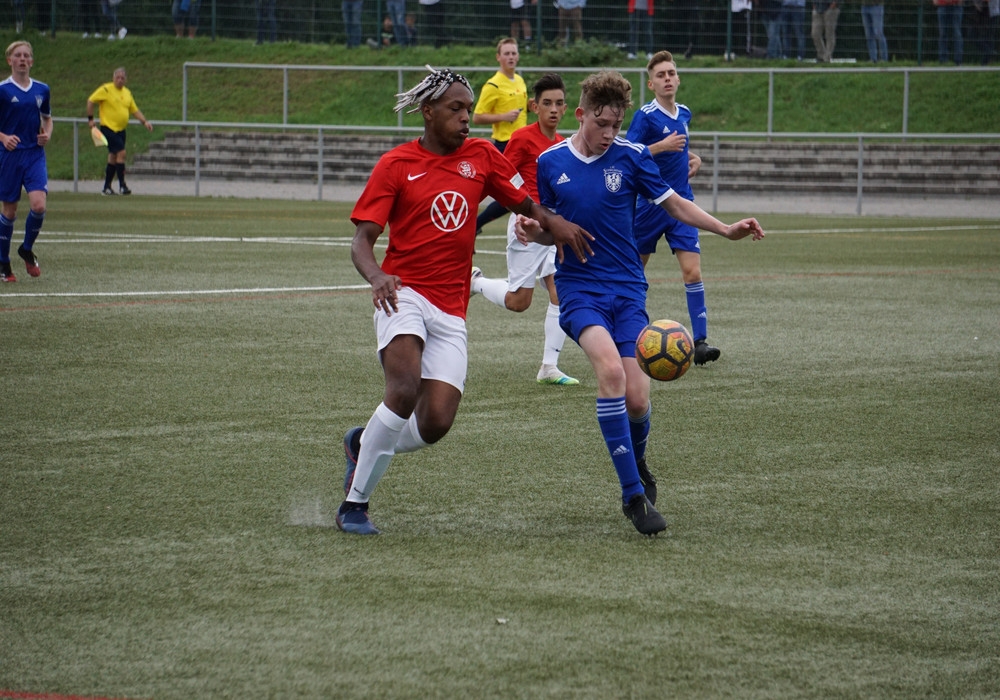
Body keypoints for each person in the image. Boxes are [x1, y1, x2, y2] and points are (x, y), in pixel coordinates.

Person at [336, 66, 593, 535]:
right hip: (404, 294)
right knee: (403, 389)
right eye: (455, 109)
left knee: (435, 423)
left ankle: (362, 442)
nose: (466, 118)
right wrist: (377, 275)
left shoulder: (481, 155)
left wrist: (554, 224)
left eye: (468, 110)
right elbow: (362, 240)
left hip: (452, 306)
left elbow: (524, 203)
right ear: (427, 111)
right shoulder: (396, 164)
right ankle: (355, 504)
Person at [515, 70, 764, 535]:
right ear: (580, 114)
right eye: (601, 124)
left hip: (628, 289)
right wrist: (536, 230)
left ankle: (638, 460)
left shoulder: (631, 156)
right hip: (580, 289)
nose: (610, 133)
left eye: (616, 124)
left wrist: (725, 229)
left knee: (637, 396)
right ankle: (633, 496)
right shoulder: (550, 162)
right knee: (610, 373)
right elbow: (550, 226)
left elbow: (676, 204)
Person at [470, 73, 578, 386]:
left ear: (566, 108)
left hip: (552, 229)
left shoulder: (563, 144)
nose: (553, 109)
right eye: (547, 103)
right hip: (526, 227)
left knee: (560, 293)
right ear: (534, 106)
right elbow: (499, 177)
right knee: (519, 302)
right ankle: (475, 281)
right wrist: (509, 214)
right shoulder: (522, 139)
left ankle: (549, 367)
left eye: (559, 103)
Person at [628, 51, 733, 367]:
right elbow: (629, 154)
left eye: (671, 73)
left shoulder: (684, 113)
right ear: (651, 84)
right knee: (634, 274)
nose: (667, 79)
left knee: (692, 271)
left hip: (682, 204)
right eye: (661, 75)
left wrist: (693, 158)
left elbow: (679, 149)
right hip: (649, 206)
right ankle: (629, 334)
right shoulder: (645, 116)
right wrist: (661, 147)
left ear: (678, 78)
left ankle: (700, 343)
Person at [0, 41, 51, 284]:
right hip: (9, 156)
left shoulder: (42, 89)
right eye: (17, 55)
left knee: (39, 205)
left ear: (31, 61)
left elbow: (47, 118)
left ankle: (26, 248)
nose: (22, 59)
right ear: (9, 60)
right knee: (9, 211)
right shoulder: (2, 90)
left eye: (26, 55)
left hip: (34, 154)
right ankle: (3, 263)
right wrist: (3, 137)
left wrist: (47, 134)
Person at [472, 38, 527, 234]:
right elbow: (477, 117)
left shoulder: (519, 80)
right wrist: (503, 116)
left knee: (520, 191)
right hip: (505, 145)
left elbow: (520, 109)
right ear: (498, 57)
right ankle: (474, 224)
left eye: (513, 53)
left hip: (523, 144)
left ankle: (475, 225)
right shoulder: (493, 85)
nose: (511, 57)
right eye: (507, 53)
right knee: (513, 193)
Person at [86, 67, 153, 196]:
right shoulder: (106, 89)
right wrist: (90, 119)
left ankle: (107, 187)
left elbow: (134, 110)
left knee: (113, 156)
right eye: (118, 77)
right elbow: (90, 101)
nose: (120, 80)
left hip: (121, 129)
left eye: (122, 78)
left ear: (126, 80)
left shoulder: (127, 93)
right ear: (113, 78)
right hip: (108, 128)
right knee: (122, 153)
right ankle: (122, 185)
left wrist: (145, 122)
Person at [934, 0, 964, 64]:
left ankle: (958, 60)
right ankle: (943, 60)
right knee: (943, 33)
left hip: (956, 5)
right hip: (942, 5)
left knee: (957, 34)